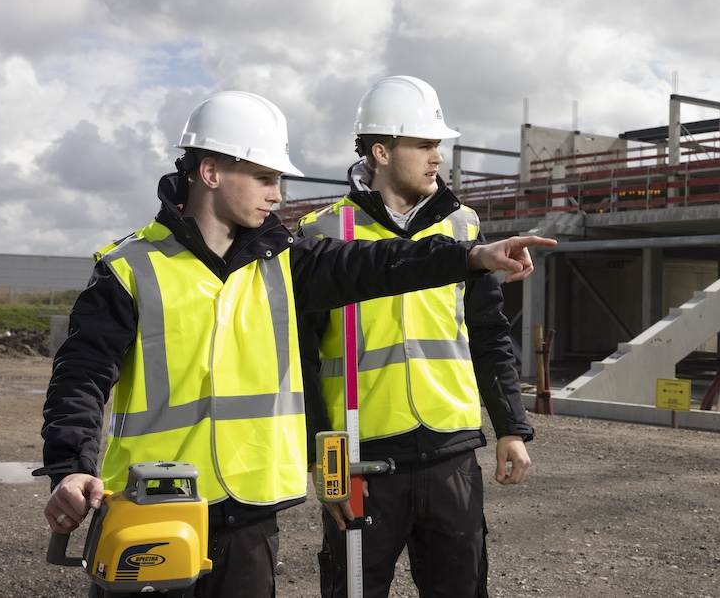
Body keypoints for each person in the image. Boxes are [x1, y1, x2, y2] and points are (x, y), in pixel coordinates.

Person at [35, 90, 555, 598]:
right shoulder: (130, 268)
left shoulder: (287, 262)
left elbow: (378, 265)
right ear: (212, 173)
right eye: (264, 178)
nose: (277, 194)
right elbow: (80, 377)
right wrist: (72, 465)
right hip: (151, 503)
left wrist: (473, 258)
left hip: (251, 511)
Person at [298, 76, 534, 598]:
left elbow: (488, 333)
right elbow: (303, 363)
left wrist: (511, 428)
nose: (438, 158)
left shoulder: (462, 228)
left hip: (450, 453)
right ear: (381, 151)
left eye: (439, 145)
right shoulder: (324, 234)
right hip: (361, 458)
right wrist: (326, 464)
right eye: (424, 144)